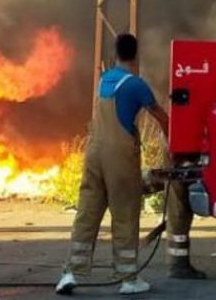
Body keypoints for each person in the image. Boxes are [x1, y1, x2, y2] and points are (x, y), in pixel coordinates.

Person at [56, 33, 166, 296]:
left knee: (87, 213)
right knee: (125, 213)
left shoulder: (104, 80)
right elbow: (162, 117)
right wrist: (174, 143)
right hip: (119, 157)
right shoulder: (136, 85)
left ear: (115, 54)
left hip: (93, 154)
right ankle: (128, 278)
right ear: (135, 55)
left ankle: (71, 272)